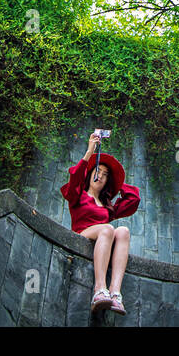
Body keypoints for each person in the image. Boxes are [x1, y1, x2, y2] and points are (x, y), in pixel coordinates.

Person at [59, 129, 140, 315]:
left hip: (104, 235)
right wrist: (90, 152)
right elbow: (75, 177)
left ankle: (115, 293)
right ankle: (99, 289)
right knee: (107, 229)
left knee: (123, 231)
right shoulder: (77, 195)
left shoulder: (106, 206)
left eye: (105, 175)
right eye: (98, 171)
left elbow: (133, 199)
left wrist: (117, 184)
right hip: (81, 235)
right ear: (89, 174)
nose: (100, 177)